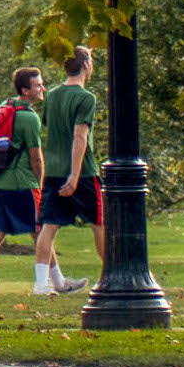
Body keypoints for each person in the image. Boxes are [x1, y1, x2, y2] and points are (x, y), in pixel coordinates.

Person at [0, 68, 84, 296]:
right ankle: (46, 284)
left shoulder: (5, 107)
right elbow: (36, 157)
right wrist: (40, 184)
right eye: (37, 85)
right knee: (40, 232)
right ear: (25, 90)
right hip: (21, 184)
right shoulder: (29, 118)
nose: (42, 88)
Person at [39, 47, 106, 268]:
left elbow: (50, 127)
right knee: (99, 223)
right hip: (83, 171)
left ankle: (41, 282)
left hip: (53, 169)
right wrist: (75, 175)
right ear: (86, 65)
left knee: (49, 226)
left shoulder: (51, 95)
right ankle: (110, 272)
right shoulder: (86, 98)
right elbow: (80, 137)